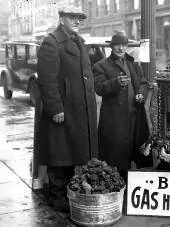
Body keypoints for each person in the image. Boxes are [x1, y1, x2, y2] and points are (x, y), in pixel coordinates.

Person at [36, 6, 98, 211]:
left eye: (80, 18)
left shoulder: (78, 42)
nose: (78, 21)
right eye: (73, 18)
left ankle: (66, 193)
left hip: (79, 111)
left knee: (70, 153)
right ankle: (57, 197)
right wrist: (55, 109)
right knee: (59, 155)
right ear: (62, 19)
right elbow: (47, 80)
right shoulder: (52, 42)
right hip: (63, 111)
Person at [93, 30, 151, 181]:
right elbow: (99, 88)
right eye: (117, 45)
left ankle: (132, 185)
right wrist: (116, 83)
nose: (120, 48)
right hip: (115, 119)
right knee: (116, 155)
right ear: (111, 47)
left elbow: (144, 83)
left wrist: (141, 94)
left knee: (135, 149)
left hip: (135, 115)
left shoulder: (133, 64)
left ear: (126, 46)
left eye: (123, 45)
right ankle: (118, 184)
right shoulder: (101, 66)